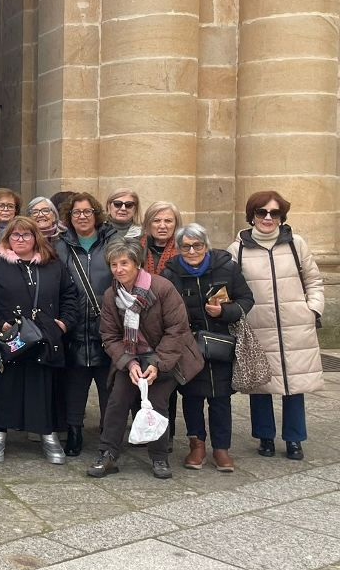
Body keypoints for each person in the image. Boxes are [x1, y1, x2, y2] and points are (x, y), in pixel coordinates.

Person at [88, 237, 203, 479]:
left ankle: (159, 457)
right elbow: (109, 335)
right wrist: (129, 363)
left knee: (157, 403)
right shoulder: (112, 295)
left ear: (137, 264)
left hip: (164, 355)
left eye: (124, 263)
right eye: (113, 265)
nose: (118, 270)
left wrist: (156, 364)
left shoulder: (161, 288)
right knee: (117, 401)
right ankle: (108, 454)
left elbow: (177, 330)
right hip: (130, 355)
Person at [227, 190, 324, 461]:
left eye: (274, 213)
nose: (268, 218)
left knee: (293, 384)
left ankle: (294, 439)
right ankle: (265, 437)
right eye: (262, 212)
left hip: (295, 323)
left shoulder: (296, 244)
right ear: (252, 216)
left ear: (281, 216)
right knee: (261, 382)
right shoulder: (238, 249)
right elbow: (229, 285)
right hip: (257, 324)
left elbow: (314, 280)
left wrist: (312, 308)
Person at [0, 216, 78, 465]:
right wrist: (0, 324)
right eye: (15, 235)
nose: (20, 240)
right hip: (7, 338)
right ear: (7, 238)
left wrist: (63, 323)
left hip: (44, 338)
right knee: (3, 387)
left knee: (41, 387)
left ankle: (47, 434)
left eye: (26, 235)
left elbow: (70, 295)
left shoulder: (52, 264)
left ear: (36, 238)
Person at [162, 223, 253, 472]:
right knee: (192, 397)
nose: (192, 251)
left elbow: (247, 299)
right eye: (186, 247)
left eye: (197, 245)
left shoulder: (227, 267)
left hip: (221, 342)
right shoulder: (171, 274)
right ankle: (197, 445)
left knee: (221, 398)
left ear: (206, 245)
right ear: (179, 249)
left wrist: (226, 311)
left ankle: (221, 449)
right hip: (189, 345)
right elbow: (163, 308)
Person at [52, 193, 115, 456]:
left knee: (108, 386)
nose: (82, 217)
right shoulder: (59, 246)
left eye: (87, 212)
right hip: (74, 324)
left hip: (107, 324)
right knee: (75, 385)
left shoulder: (112, 242)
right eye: (76, 213)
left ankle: (108, 437)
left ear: (96, 214)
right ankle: (74, 432)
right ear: (69, 217)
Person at [139, 201, 183, 276]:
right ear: (148, 224)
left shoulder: (185, 250)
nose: (162, 226)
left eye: (168, 221)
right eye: (156, 221)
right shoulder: (136, 248)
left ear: (176, 224)